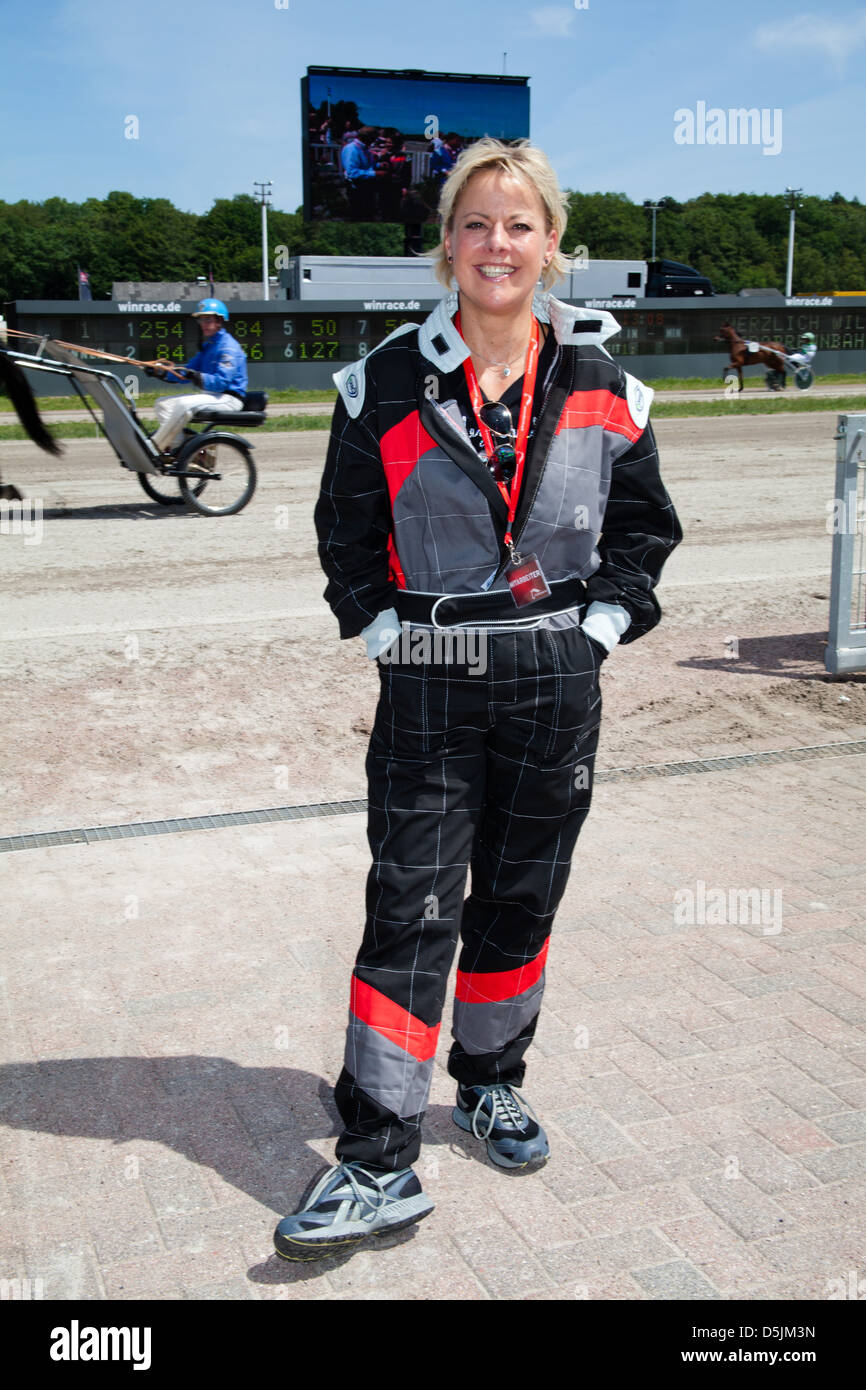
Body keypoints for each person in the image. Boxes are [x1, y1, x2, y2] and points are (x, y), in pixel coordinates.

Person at [274, 138, 682, 1262]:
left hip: (557, 674)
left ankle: (492, 1081)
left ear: (551, 245)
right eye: (473, 224)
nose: (494, 245)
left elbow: (642, 534)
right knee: (408, 903)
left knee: (518, 894)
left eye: (517, 226)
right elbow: (343, 533)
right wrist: (380, 632)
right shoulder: (385, 379)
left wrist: (599, 628)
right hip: (431, 679)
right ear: (445, 243)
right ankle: (375, 1157)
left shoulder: (606, 384)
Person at [148, 299, 247, 455]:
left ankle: (153, 447)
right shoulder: (209, 347)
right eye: (201, 320)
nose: (203, 324)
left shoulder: (229, 347)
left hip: (229, 399)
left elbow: (221, 383)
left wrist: (196, 376)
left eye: (208, 319)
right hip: (213, 396)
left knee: (183, 404)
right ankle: (179, 447)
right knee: (162, 404)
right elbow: (185, 372)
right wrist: (160, 372)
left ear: (220, 320)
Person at [340, 126, 380, 221]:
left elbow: (365, 165)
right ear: (366, 138)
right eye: (373, 139)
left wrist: (378, 165)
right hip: (356, 189)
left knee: (368, 214)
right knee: (358, 215)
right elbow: (352, 173)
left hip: (366, 187)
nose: (374, 142)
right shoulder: (352, 149)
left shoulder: (364, 148)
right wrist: (375, 173)